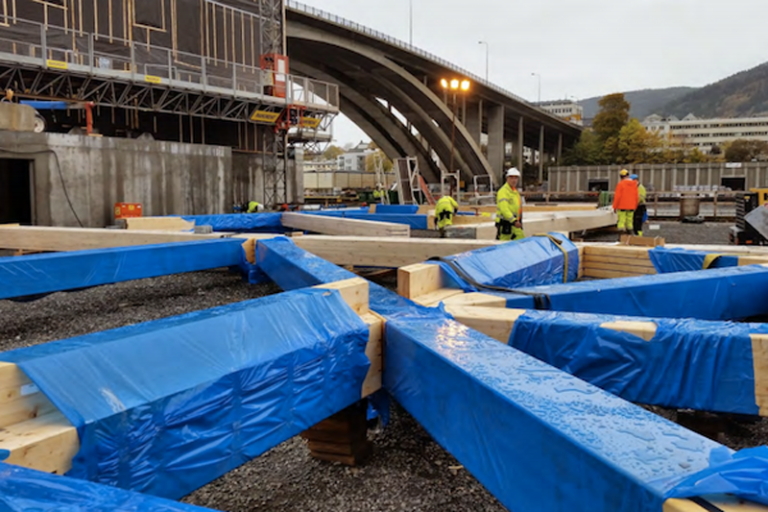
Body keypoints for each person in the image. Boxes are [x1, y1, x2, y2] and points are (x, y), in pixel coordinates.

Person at [496, 168, 525, 241]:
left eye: (516, 178)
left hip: (515, 224)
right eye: (511, 178)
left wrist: (517, 221)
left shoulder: (515, 192)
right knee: (503, 245)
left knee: (521, 242)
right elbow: (504, 209)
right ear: (507, 178)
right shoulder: (503, 192)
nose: (514, 180)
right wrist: (514, 221)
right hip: (506, 224)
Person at [612, 169, 638, 235]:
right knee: (629, 221)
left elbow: (617, 196)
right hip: (631, 206)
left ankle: (621, 236)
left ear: (621, 176)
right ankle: (631, 235)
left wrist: (614, 207)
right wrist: (635, 206)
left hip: (622, 206)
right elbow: (636, 196)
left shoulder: (620, 184)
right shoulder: (634, 184)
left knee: (621, 221)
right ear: (628, 175)